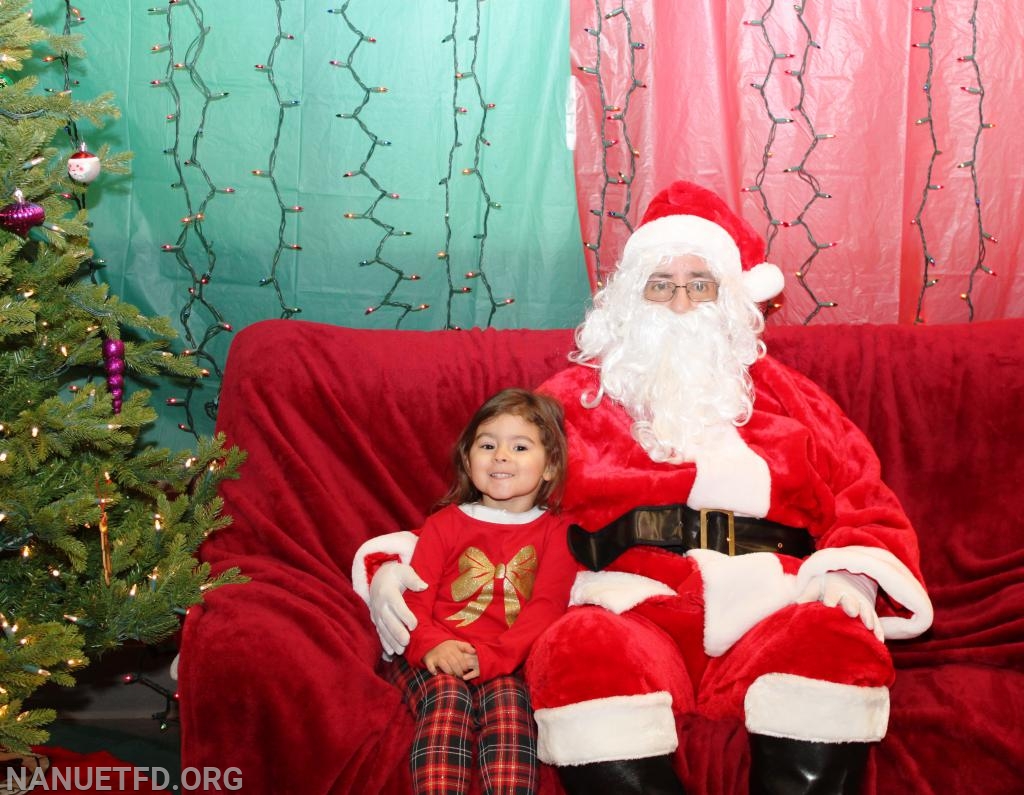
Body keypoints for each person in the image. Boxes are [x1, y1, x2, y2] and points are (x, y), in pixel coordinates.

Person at [356, 181, 933, 795]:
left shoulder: (792, 396)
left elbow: (862, 497)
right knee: (580, 648)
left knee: (834, 643)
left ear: (731, 299)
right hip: (632, 603)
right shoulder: (572, 399)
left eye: (699, 284)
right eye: (660, 285)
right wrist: (397, 563)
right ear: (629, 298)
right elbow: (498, 497)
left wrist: (854, 575)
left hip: (776, 602)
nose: (680, 302)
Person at [384, 388, 577, 795]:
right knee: (447, 697)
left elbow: (545, 609)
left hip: (506, 660)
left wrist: (496, 658)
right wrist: (433, 645)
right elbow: (415, 596)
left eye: (520, 446)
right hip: (430, 651)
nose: (501, 456)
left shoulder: (557, 532)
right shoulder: (445, 523)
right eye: (487, 445)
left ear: (549, 466)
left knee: (511, 708)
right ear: (467, 459)